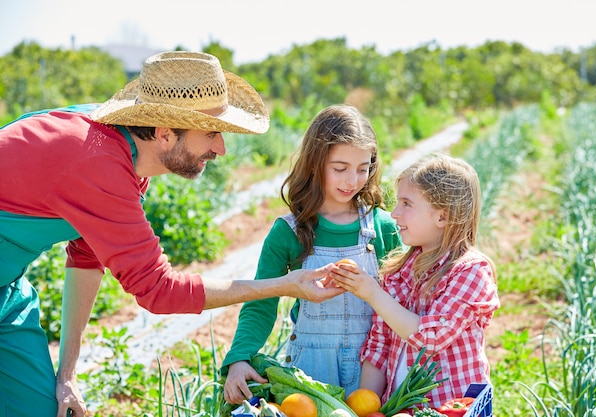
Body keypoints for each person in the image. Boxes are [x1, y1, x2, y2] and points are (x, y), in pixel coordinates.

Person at [0, 51, 344, 417]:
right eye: (212, 133)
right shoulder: (98, 162)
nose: (221, 149)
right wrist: (283, 284)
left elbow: (85, 257)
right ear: (164, 133)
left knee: (40, 408)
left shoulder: (123, 151)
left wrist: (66, 375)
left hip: (8, 293)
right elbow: (159, 291)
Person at [220, 104, 403, 404]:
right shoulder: (289, 232)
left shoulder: (382, 228)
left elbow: (403, 300)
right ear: (315, 164)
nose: (352, 181)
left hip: (375, 370)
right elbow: (260, 303)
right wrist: (240, 358)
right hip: (311, 373)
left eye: (363, 168)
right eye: (340, 169)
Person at [329, 153, 500, 408]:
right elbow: (379, 346)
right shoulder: (399, 270)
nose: (395, 213)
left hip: (452, 408)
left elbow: (431, 339)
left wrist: (374, 294)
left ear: (442, 217)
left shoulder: (470, 271)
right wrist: (366, 406)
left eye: (407, 204)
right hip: (401, 409)